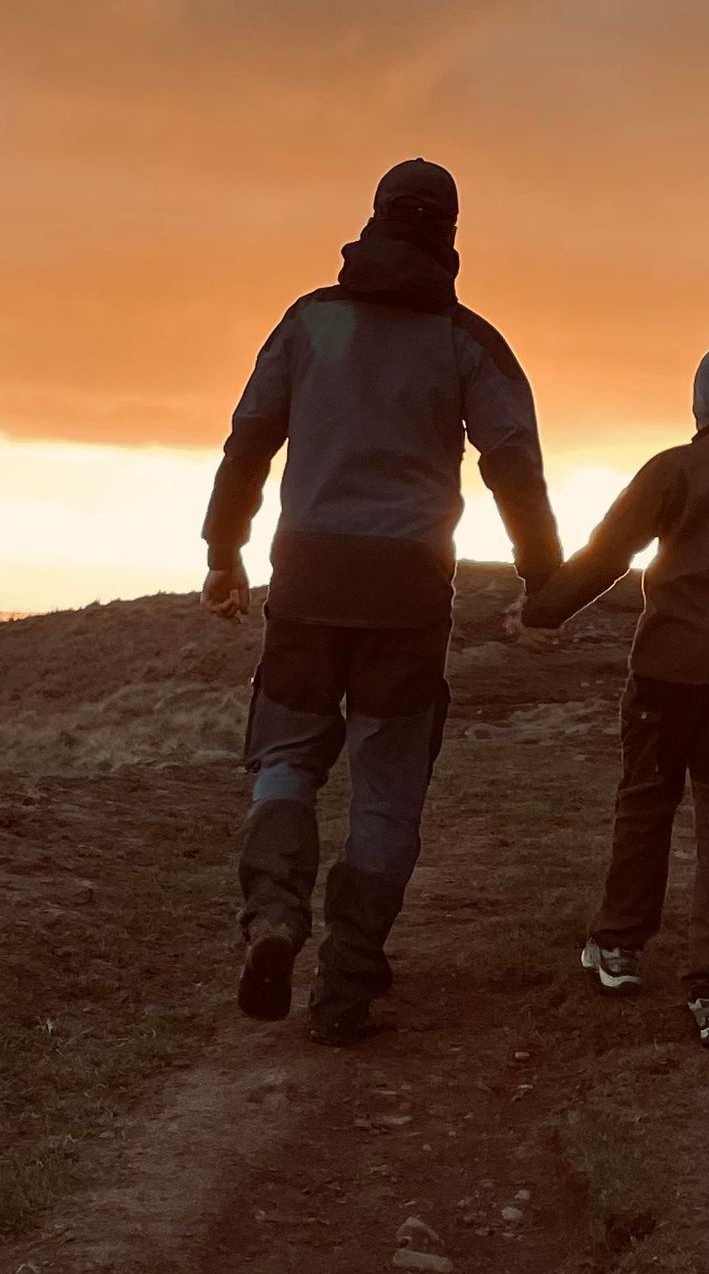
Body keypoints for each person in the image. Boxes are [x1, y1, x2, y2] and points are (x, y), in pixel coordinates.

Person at [200, 159, 561, 1047]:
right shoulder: (468, 339)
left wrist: (223, 551)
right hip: (406, 591)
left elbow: (249, 439)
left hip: (309, 577)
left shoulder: (310, 322)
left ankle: (277, 916)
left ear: (373, 222)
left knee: (285, 758)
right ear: (449, 235)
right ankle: (348, 983)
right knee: (388, 791)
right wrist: (542, 581)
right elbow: (513, 462)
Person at [509, 334, 709, 1045]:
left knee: (646, 803)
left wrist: (539, 612)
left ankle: (619, 947)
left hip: (663, 672)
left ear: (702, 398)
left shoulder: (672, 471)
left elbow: (607, 554)